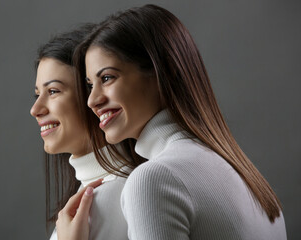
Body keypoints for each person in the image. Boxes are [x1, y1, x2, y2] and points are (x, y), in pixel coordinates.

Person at [74, 4, 287, 240]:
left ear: (164, 71)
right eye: (91, 85)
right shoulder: (249, 177)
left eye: (107, 78)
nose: (92, 100)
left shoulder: (153, 180)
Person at [30, 24, 144, 240]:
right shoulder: (92, 193)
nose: (35, 110)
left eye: (53, 91)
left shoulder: (108, 196)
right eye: (37, 95)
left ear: (94, 95)